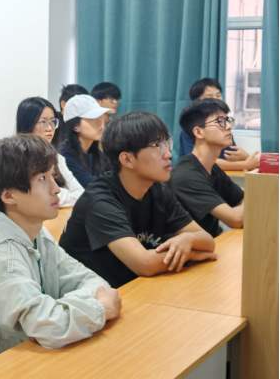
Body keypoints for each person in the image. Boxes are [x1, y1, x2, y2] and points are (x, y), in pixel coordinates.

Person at [0, 134, 122, 379]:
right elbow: (47, 325)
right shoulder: (0, 255)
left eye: (53, 176)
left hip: (18, 355)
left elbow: (91, 282)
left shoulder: (34, 231)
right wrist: (99, 309)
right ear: (9, 195)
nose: (56, 189)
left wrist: (59, 314)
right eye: (43, 178)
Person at [59, 112, 217, 289]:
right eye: (157, 146)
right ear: (127, 159)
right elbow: (145, 264)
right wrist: (190, 254)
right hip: (88, 297)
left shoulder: (158, 191)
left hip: (131, 287)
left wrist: (189, 239)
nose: (168, 154)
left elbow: (208, 241)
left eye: (167, 143)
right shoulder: (101, 200)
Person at [169, 99, 245, 238]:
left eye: (228, 120)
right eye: (220, 121)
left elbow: (243, 199)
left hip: (212, 241)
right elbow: (235, 219)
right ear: (198, 132)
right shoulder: (186, 175)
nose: (229, 126)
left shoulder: (212, 168)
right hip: (190, 248)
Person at [16, 97, 84, 208]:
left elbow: (81, 194)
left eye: (52, 122)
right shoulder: (17, 158)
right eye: (43, 122)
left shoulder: (57, 157)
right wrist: (64, 194)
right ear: (27, 124)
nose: (50, 128)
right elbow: (34, 198)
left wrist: (54, 197)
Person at [180, 78, 259, 171]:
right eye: (209, 97)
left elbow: (232, 155)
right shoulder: (193, 128)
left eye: (218, 95)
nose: (216, 99)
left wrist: (246, 157)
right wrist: (245, 164)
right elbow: (199, 161)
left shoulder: (225, 127)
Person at [59, 95, 113, 188]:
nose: (100, 122)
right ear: (75, 126)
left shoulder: (98, 154)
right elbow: (87, 183)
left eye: (100, 115)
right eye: (92, 117)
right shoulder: (63, 154)